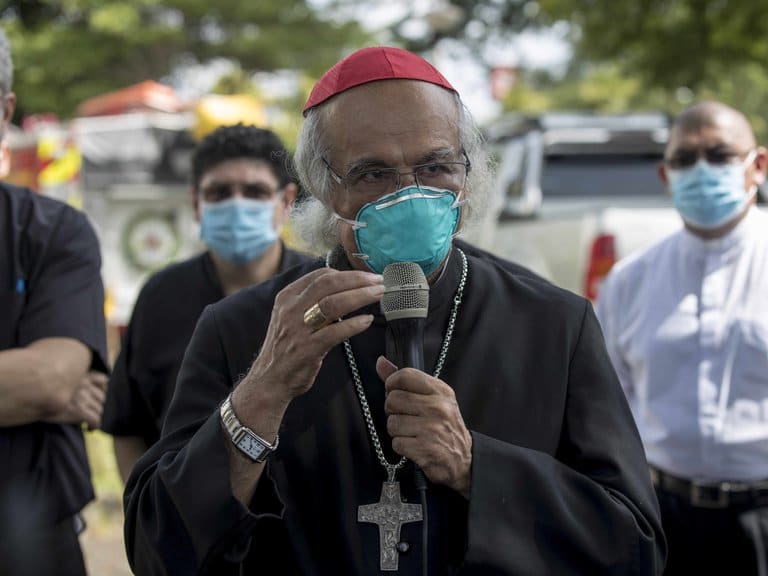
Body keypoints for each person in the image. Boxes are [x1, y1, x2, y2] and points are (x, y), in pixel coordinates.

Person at [124, 46, 665, 575]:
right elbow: (157, 551)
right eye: (372, 174)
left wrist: (478, 467)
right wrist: (262, 392)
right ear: (322, 186)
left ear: (467, 172)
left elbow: (635, 548)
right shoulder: (242, 329)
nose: (409, 193)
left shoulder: (553, 324)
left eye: (434, 166)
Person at [596, 100, 768, 575]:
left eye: (719, 154)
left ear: (758, 165)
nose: (702, 170)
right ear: (666, 175)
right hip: (664, 517)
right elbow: (612, 406)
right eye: (685, 159)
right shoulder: (630, 282)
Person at [101, 124, 313, 482]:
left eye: (255, 191)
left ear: (286, 202)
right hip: (187, 517)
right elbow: (128, 425)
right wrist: (146, 521)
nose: (237, 204)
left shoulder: (315, 290)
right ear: (196, 204)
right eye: (219, 192)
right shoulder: (160, 297)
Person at [0, 28, 109, 576]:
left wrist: (46, 387)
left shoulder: (51, 232)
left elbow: (51, 380)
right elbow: (47, 385)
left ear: (5, 109)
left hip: (30, 540)